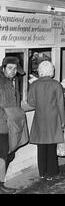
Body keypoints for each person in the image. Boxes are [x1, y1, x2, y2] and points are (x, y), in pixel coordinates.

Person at [28, 61, 65, 181]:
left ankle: (42, 172)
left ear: (40, 71)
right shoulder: (56, 85)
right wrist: (63, 120)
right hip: (53, 119)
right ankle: (52, 172)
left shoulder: (34, 85)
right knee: (51, 146)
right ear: (51, 71)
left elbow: (31, 103)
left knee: (41, 146)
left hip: (40, 119)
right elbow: (60, 104)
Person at [0, 56, 25, 193]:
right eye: (10, 68)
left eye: (15, 69)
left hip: (10, 124)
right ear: (3, 68)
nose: (13, 71)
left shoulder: (13, 81)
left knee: (9, 154)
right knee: (3, 155)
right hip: (1, 125)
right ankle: (1, 185)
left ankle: (1, 182)